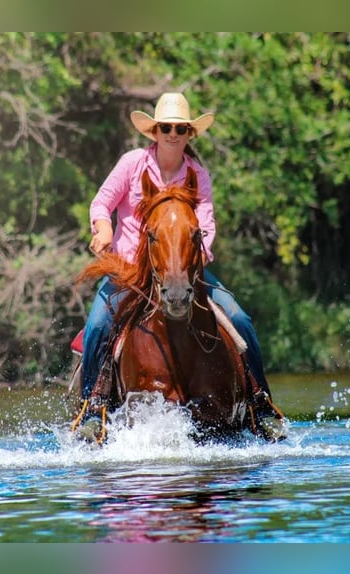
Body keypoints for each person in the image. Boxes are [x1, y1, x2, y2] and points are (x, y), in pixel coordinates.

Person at [79, 92, 282, 436]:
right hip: (131, 271)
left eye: (180, 128)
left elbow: (206, 224)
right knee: (98, 325)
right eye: (167, 127)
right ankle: (91, 409)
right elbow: (101, 203)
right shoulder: (132, 164)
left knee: (239, 319)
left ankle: (260, 404)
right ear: (155, 131)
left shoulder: (197, 175)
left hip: (184, 271)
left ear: (190, 134)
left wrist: (191, 261)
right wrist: (104, 227)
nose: (173, 133)